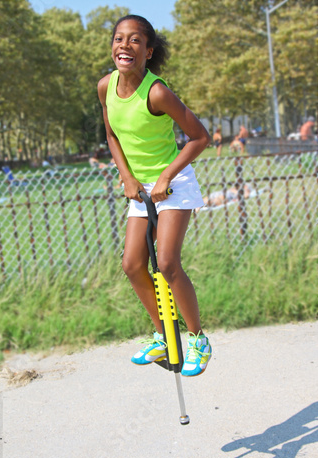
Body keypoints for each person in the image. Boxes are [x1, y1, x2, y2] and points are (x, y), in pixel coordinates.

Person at [98, 14, 212, 376]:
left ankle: (197, 339)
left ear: (148, 51)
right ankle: (165, 334)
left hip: (173, 185)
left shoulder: (157, 91)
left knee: (166, 263)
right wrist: (126, 176)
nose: (124, 46)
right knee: (132, 264)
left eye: (134, 41)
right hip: (139, 187)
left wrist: (165, 176)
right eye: (119, 39)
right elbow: (112, 135)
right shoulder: (105, 87)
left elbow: (200, 137)